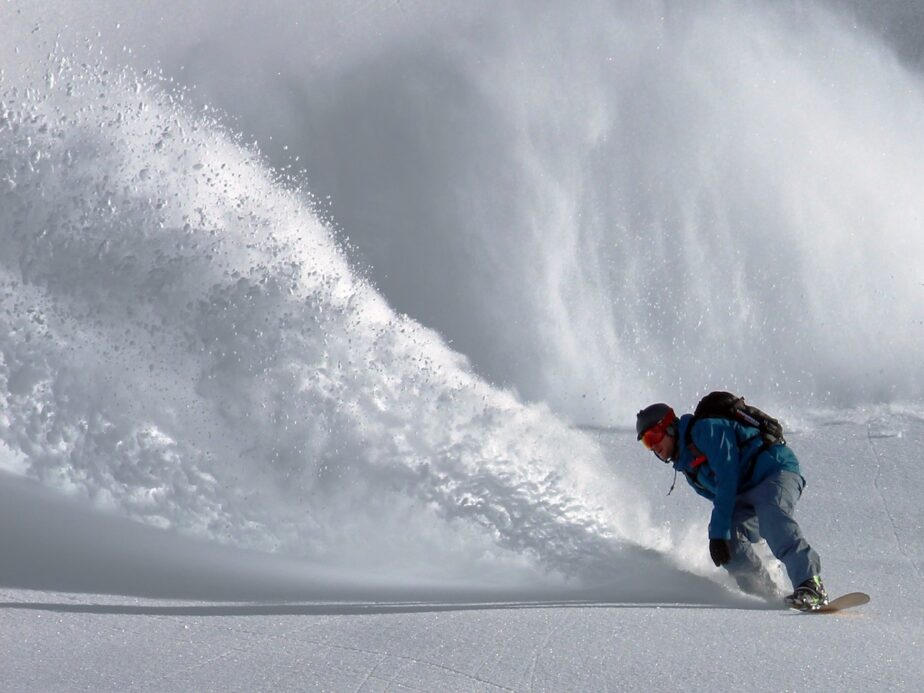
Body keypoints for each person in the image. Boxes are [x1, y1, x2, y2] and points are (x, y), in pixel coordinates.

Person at [635, 402, 827, 609]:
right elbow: (722, 500)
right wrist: (724, 535)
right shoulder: (688, 468)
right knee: (729, 541)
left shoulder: (706, 430)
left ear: (670, 427)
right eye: (646, 442)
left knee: (771, 516)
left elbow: (728, 477)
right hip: (745, 494)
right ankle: (765, 594)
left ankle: (811, 585)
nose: (653, 446)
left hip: (774, 471)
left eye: (653, 436)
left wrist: (719, 532)